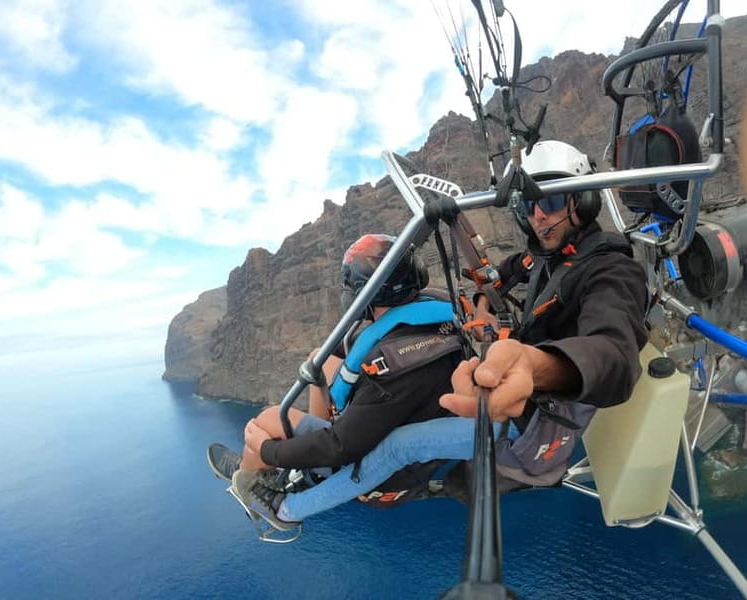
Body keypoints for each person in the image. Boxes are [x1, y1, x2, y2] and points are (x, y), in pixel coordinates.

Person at [229, 140, 650, 533]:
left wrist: (536, 366)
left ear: (584, 201)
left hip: (534, 420)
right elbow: (505, 273)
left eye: (552, 201)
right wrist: (487, 306)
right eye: (530, 205)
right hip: (506, 389)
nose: (539, 216)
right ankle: (291, 472)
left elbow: (613, 354)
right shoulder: (549, 251)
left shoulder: (611, 272)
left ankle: (286, 510)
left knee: (398, 445)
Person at [209, 233, 472, 529]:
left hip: (381, 466)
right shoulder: (431, 311)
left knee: (267, 421)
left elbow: (342, 445)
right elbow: (348, 355)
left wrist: (271, 451)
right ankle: (298, 465)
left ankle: (250, 472)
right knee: (318, 357)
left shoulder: (395, 366)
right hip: (397, 417)